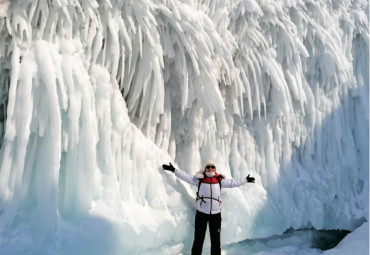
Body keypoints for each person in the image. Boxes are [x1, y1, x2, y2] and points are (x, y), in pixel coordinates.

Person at [162, 160, 255, 255]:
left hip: (215, 215)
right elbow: (186, 177)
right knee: (198, 239)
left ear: (215, 170)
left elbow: (233, 183)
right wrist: (174, 170)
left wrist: (245, 180)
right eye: (208, 167)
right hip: (201, 214)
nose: (210, 168)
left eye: (212, 167)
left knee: (215, 240)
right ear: (205, 169)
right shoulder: (199, 180)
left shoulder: (219, 181)